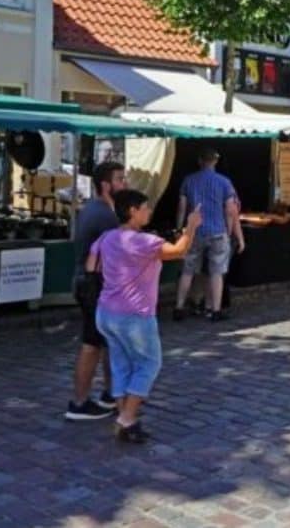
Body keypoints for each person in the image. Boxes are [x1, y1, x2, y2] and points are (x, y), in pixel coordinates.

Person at [88, 190, 202, 443]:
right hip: (134, 315)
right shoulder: (143, 241)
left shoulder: (107, 237)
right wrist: (191, 226)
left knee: (121, 365)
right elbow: (179, 251)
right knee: (149, 363)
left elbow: (91, 265)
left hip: (106, 312)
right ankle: (127, 417)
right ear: (132, 211)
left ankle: (124, 417)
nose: (149, 211)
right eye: (145, 207)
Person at [65, 162, 128, 421]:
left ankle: (111, 393)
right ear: (106, 185)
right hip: (92, 285)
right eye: (120, 179)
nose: (124, 184)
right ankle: (79, 403)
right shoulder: (104, 215)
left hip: (94, 283)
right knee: (92, 344)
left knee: (109, 341)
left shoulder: (97, 208)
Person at [173, 148, 243, 322]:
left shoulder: (188, 180)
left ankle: (179, 307)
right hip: (218, 231)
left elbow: (182, 207)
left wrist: (179, 227)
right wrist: (228, 232)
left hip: (194, 231)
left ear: (200, 160)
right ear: (215, 161)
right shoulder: (225, 182)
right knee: (216, 272)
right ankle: (215, 310)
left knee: (187, 271)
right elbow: (229, 210)